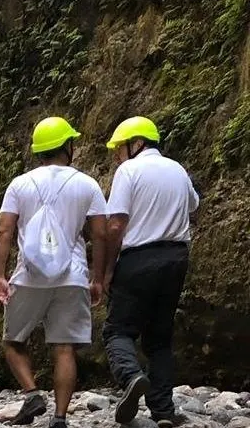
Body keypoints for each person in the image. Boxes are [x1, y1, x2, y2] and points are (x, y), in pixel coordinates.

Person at [0, 117, 108, 428]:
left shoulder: (20, 184)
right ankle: (59, 418)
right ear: (67, 147)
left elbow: (4, 232)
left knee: (13, 341)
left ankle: (32, 393)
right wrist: (97, 279)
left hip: (28, 276)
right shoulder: (87, 184)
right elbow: (100, 235)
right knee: (64, 347)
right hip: (72, 277)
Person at [100, 116, 198, 428]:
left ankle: (131, 377)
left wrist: (107, 270)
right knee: (159, 338)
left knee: (118, 330)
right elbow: (193, 205)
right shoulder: (178, 169)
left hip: (139, 257)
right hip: (176, 257)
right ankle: (163, 411)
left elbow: (116, 224)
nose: (117, 154)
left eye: (120, 147)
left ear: (137, 143)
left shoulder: (128, 171)